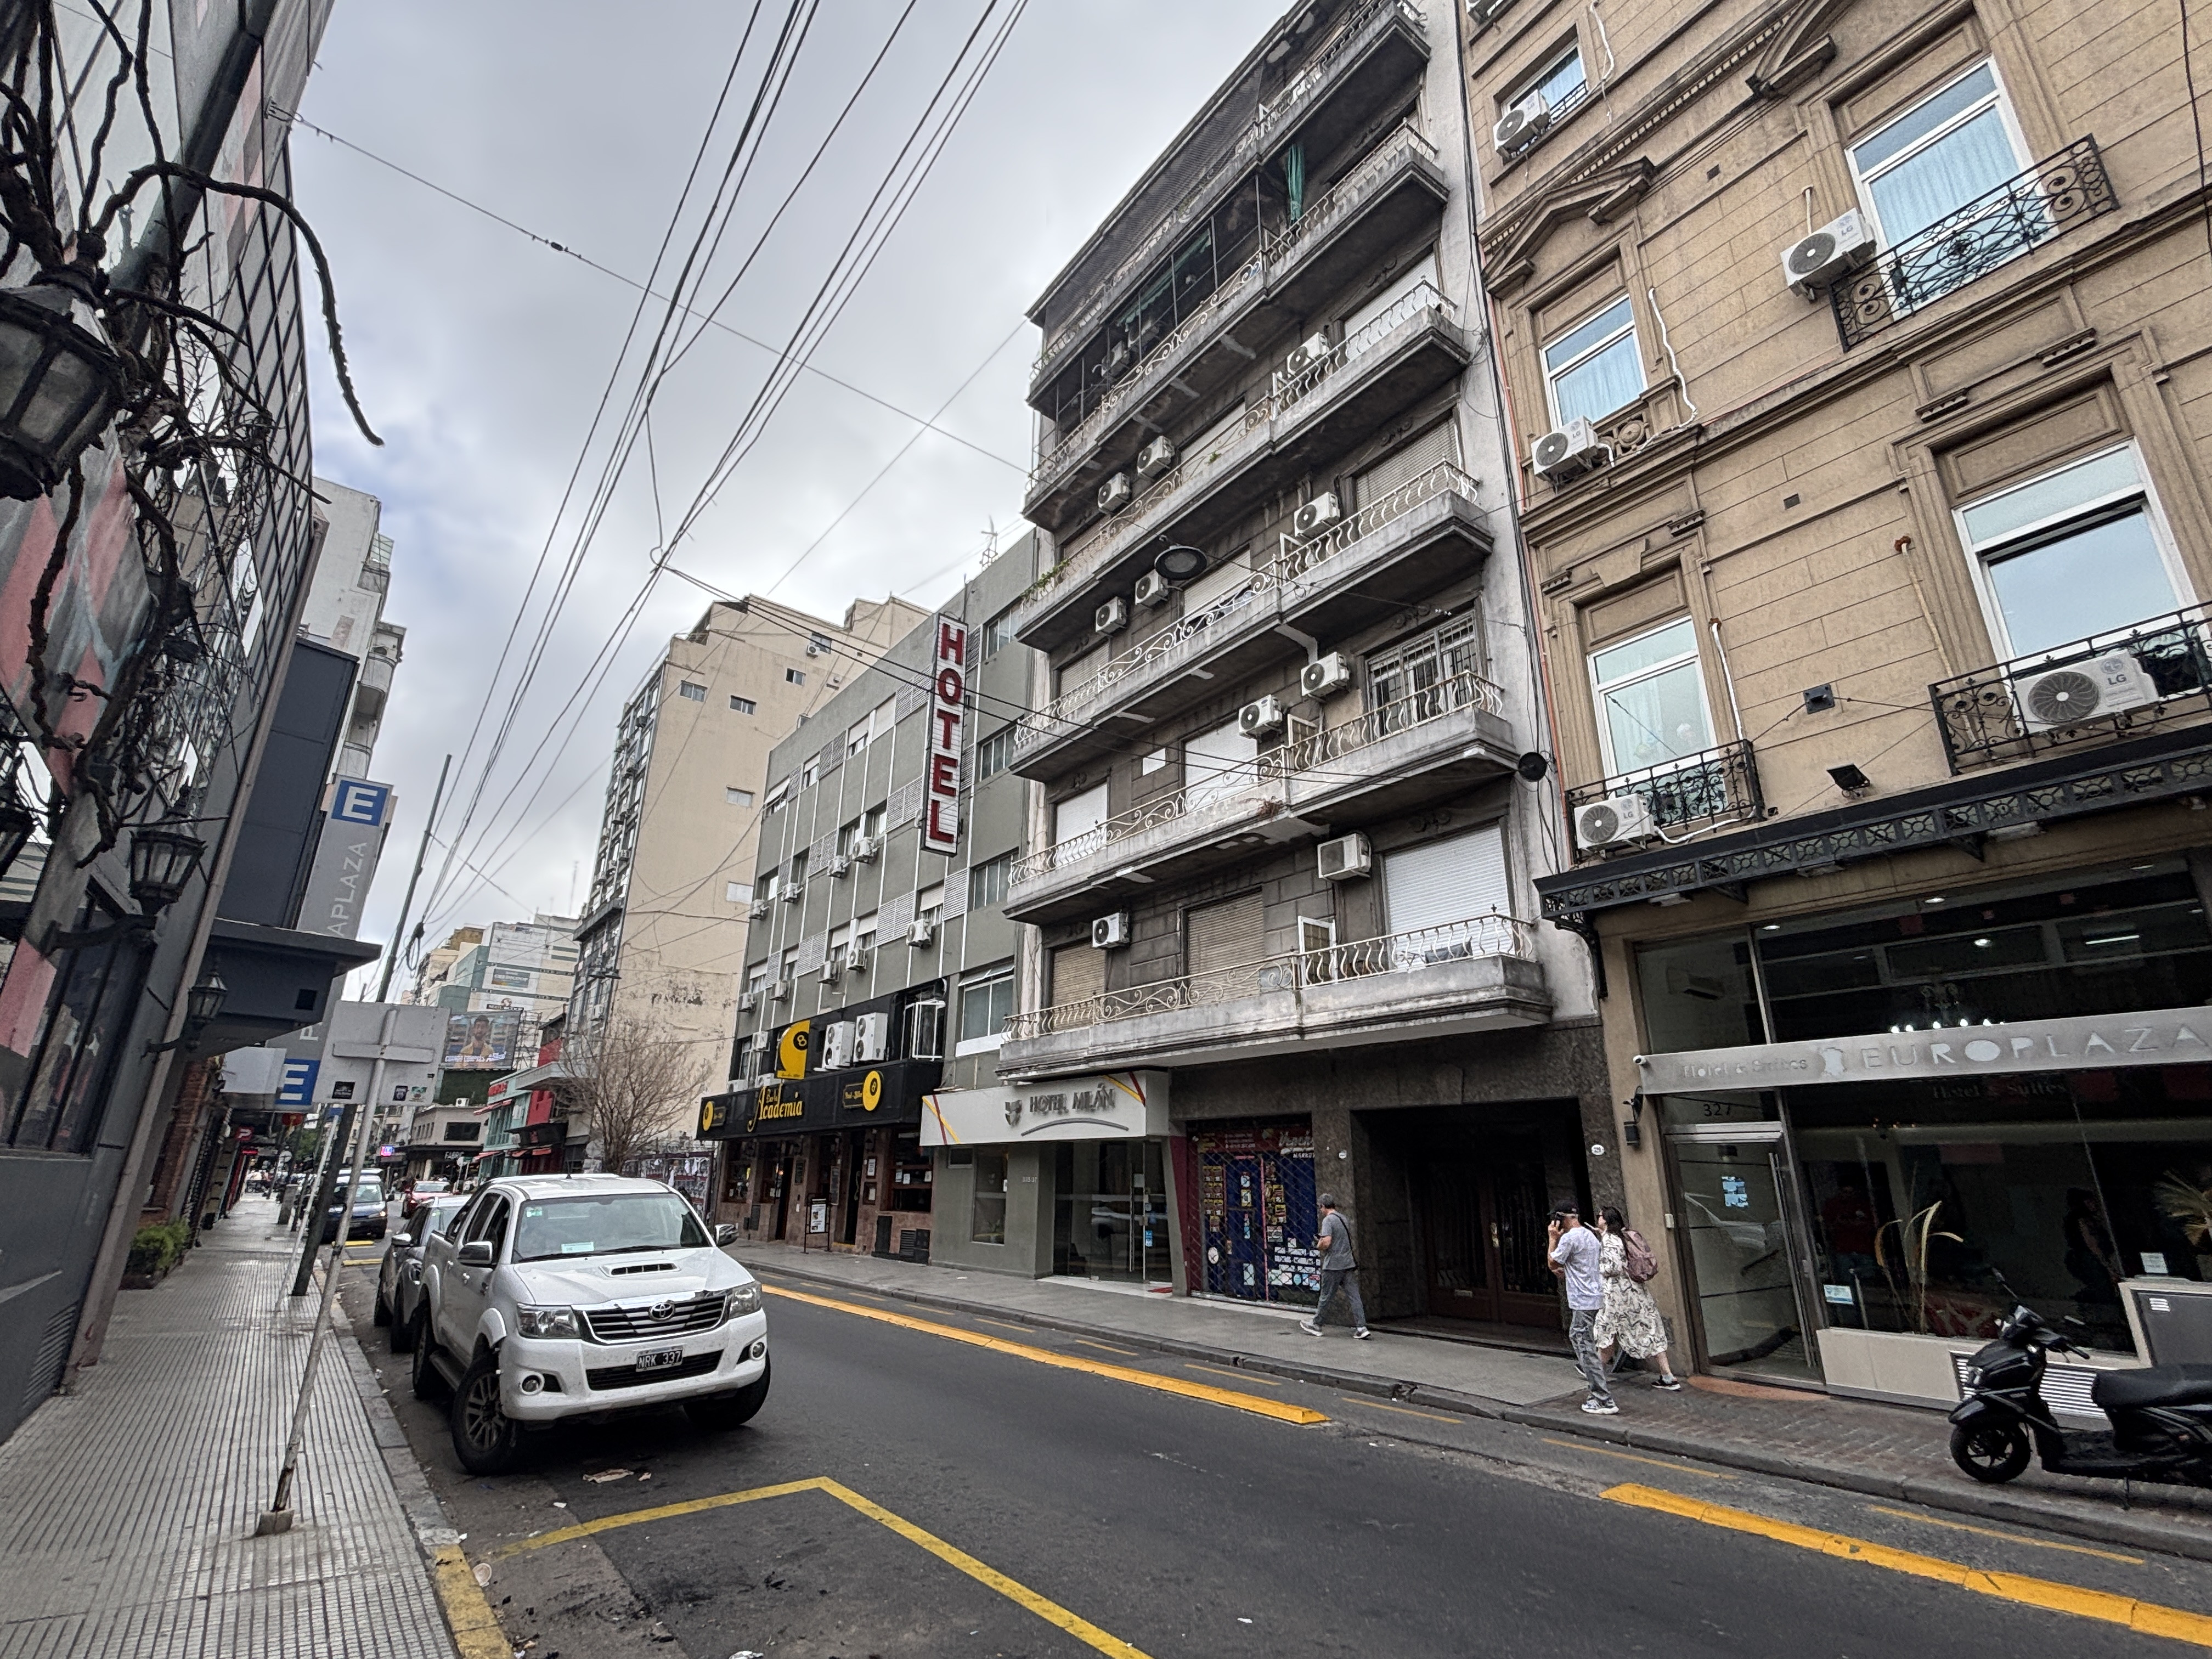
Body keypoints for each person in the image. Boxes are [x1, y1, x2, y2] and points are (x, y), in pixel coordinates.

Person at [1593, 1206, 1681, 1390]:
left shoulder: (1609, 1239)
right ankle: (1668, 1376)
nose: (1598, 1218)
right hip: (1637, 1293)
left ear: (1606, 1219)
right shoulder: (1625, 1235)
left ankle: (1596, 1378)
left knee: (1606, 1333)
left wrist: (1599, 1267)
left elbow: (1613, 1268)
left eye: (1599, 1216)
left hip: (1617, 1296)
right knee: (1651, 1330)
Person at [1547, 1199, 1615, 1414]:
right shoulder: (1590, 1236)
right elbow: (1582, 1265)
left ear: (1561, 1219)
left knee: (1584, 1346)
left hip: (1583, 1300)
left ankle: (1602, 1398)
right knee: (1583, 1341)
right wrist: (1569, 1272)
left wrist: (1553, 1239)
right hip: (1594, 1297)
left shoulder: (1569, 1238)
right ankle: (1600, 1395)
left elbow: (1552, 1262)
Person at [1299, 1193, 1371, 1339]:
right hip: (1348, 1263)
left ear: (1323, 1206)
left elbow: (1326, 1242)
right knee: (1354, 1296)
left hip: (1333, 1265)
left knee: (1326, 1296)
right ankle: (1361, 1327)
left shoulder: (1328, 1220)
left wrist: (1318, 1245)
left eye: (1320, 1208)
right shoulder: (1343, 1218)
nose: (1320, 1210)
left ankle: (1316, 1324)